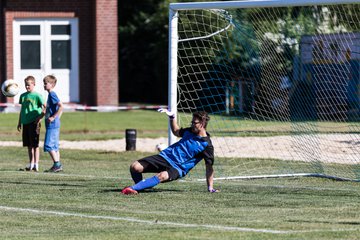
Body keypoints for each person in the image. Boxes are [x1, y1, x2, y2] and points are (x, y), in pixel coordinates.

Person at [121, 109, 219, 195]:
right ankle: (141, 187)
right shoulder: (189, 131)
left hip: (178, 168)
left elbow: (209, 167)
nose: (192, 124)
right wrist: (172, 117)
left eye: (194, 123)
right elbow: (176, 131)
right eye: (192, 122)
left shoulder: (207, 145)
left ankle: (131, 189)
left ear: (202, 124)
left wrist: (210, 187)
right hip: (165, 157)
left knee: (162, 176)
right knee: (134, 167)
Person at [17, 76, 45, 172]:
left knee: (35, 145)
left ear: (34, 84)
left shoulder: (37, 96)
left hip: (34, 123)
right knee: (28, 145)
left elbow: (45, 107)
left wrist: (40, 118)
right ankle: (31, 163)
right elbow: (22, 110)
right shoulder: (23, 96)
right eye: (26, 85)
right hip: (25, 123)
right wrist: (19, 122)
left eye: (29, 85)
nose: (27, 87)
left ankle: (36, 164)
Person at [43, 75, 64, 172]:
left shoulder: (52, 94)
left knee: (48, 145)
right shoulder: (50, 94)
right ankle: (57, 165)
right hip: (54, 124)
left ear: (52, 84)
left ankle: (57, 164)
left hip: (52, 125)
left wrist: (53, 117)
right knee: (55, 146)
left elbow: (61, 106)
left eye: (46, 83)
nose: (44, 85)